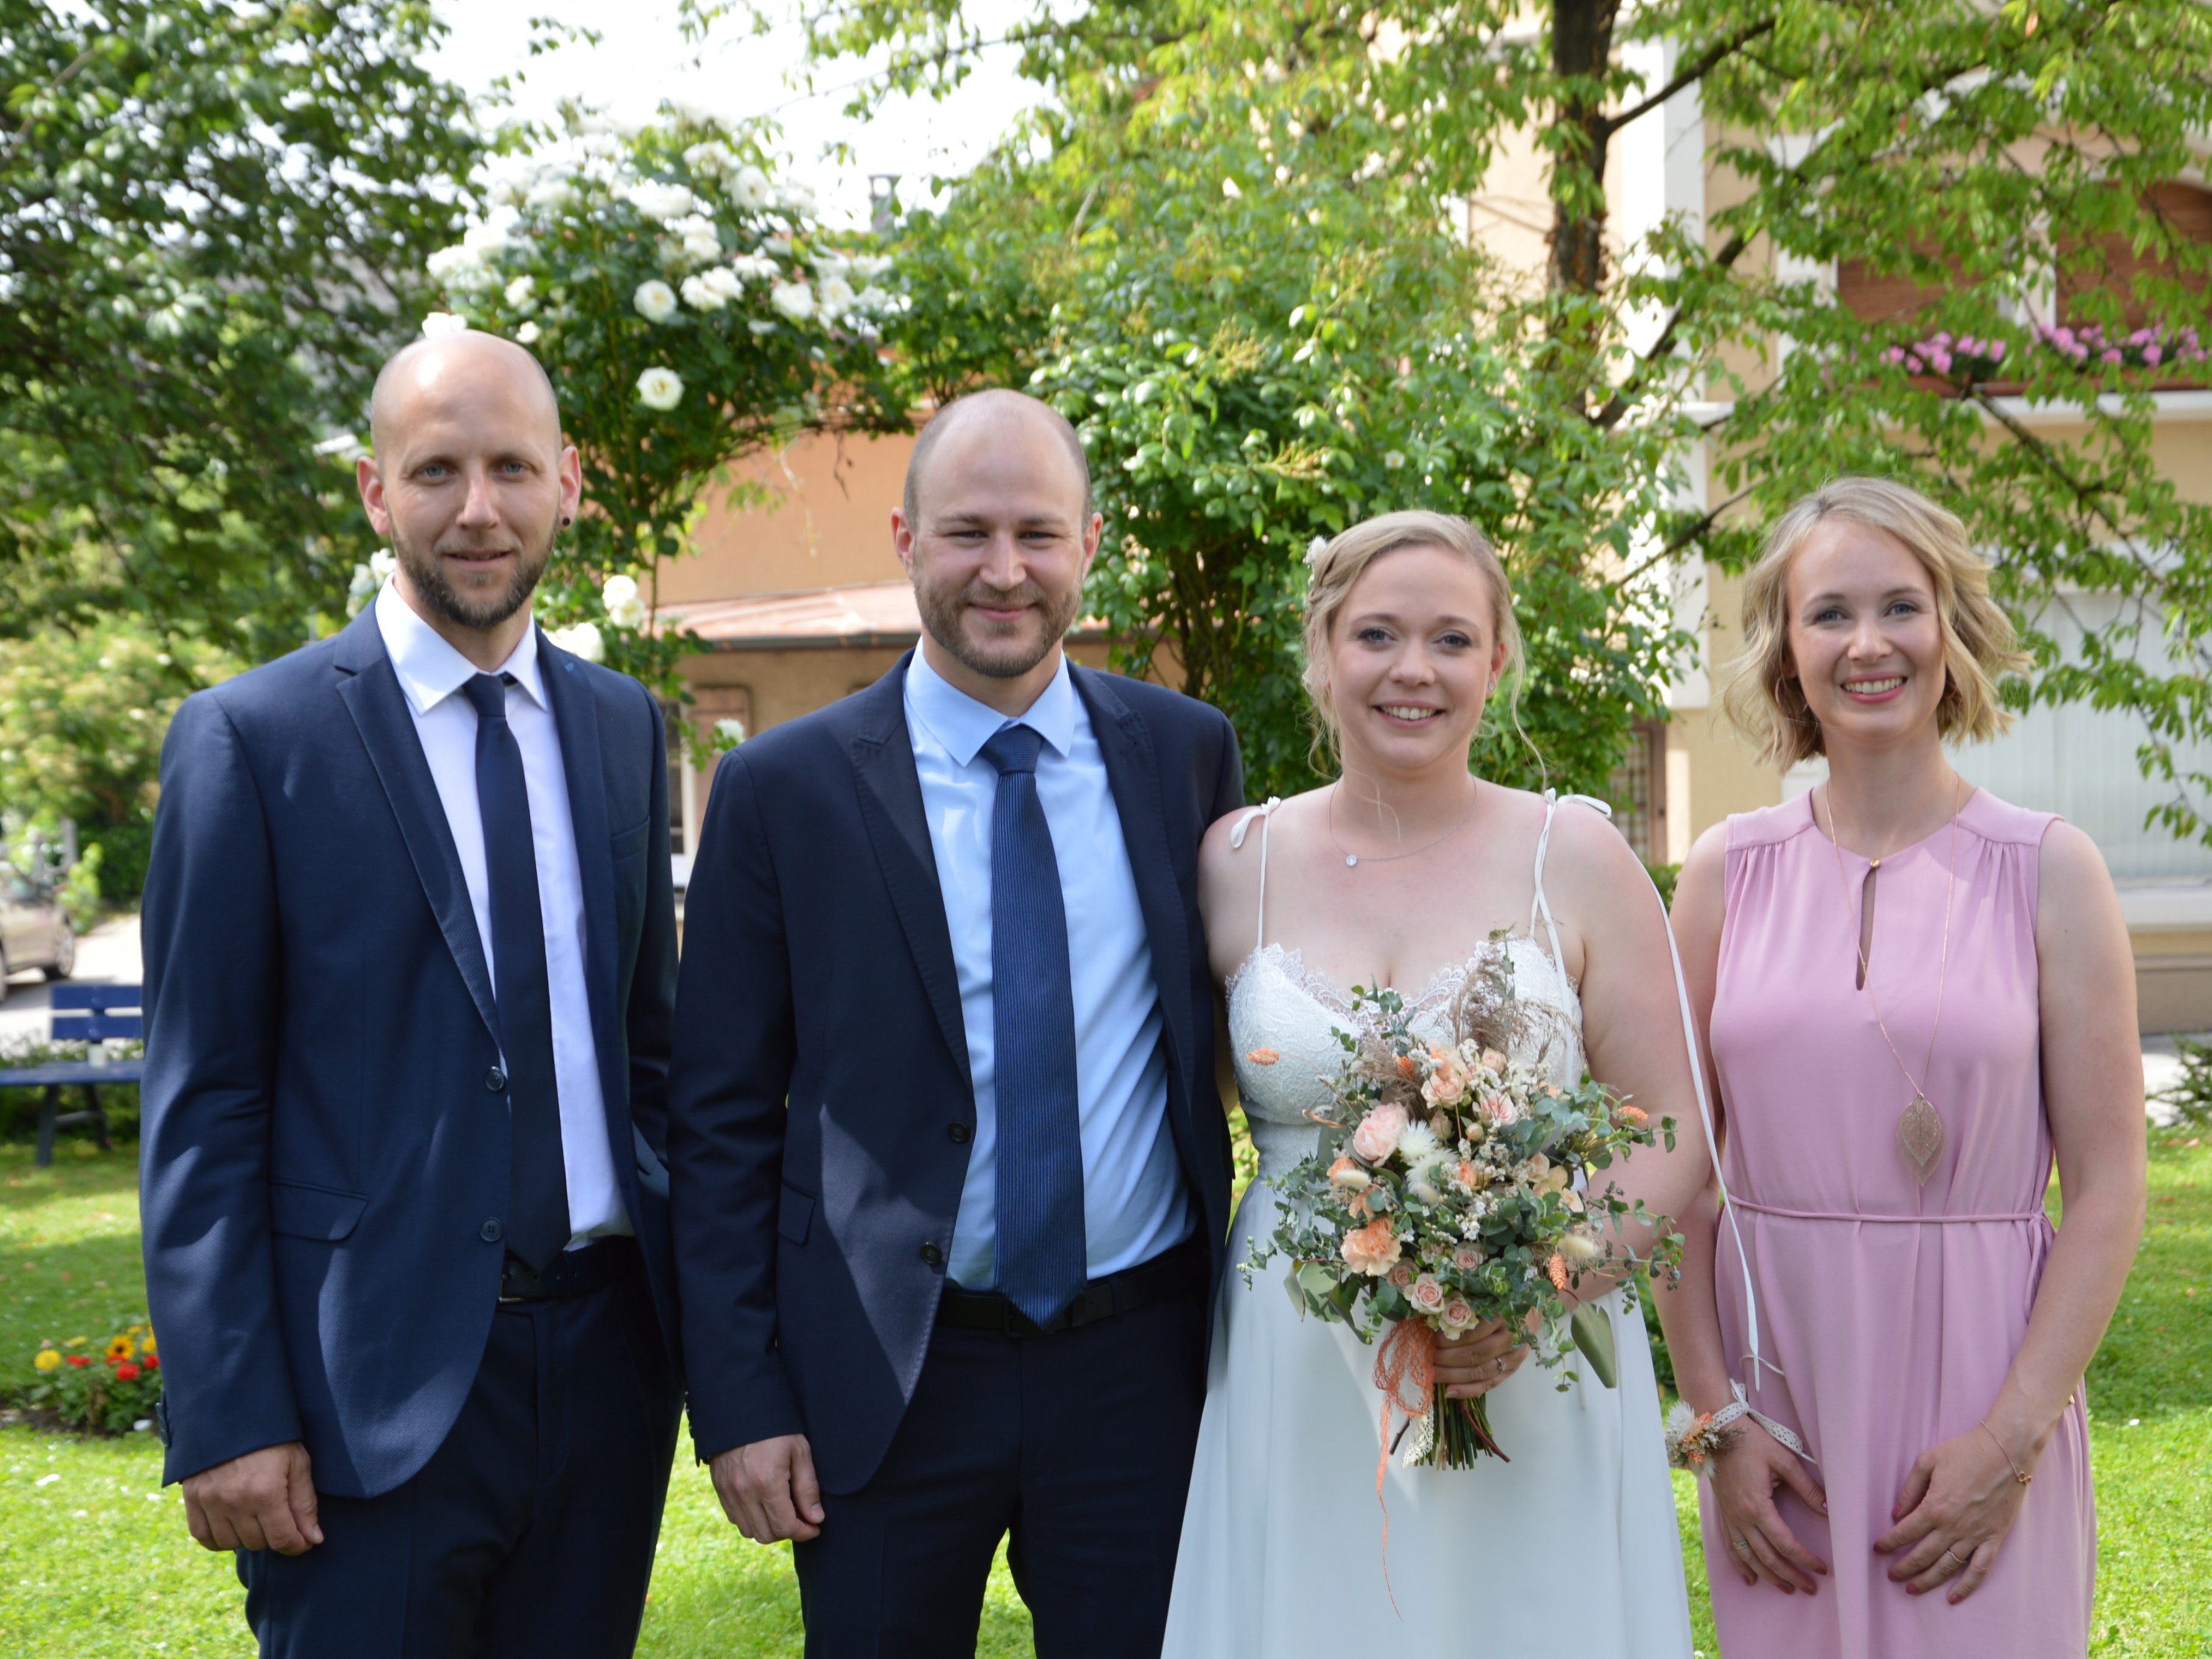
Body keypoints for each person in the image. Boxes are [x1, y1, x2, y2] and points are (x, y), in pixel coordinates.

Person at [665, 388, 1243, 1658]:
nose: (1004, 570)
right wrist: (743, 1401)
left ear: (1091, 542)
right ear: (905, 537)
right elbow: (713, 1121)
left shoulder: (1186, 756)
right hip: (883, 1369)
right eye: (967, 532)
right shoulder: (784, 790)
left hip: (1139, 1365)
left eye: (1037, 534)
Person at [140, 330, 685, 1657]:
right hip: (362, 1400)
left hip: (606, 1382)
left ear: (569, 481)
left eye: (512, 467)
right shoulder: (252, 740)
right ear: (378, 493)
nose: (479, 508)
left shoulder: (624, 727)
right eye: (437, 471)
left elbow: (650, 1056)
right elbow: (203, 1105)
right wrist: (230, 1412)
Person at [1163, 511, 1708, 1657]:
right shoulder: (1231, 865)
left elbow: (1673, 1130)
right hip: (1299, 1356)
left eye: (1452, 639)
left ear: (1497, 661)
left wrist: (1536, 1290)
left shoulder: (1580, 858)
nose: (1412, 670)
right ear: (1317, 652)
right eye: (1375, 635)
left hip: (1531, 1356)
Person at [1661, 477, 2146, 1658]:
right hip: (1784, 1410)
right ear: (1785, 648)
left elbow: (2113, 1186)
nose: (1867, 644)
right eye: (1829, 614)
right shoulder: (1724, 874)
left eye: (1900, 608)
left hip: (1985, 1392)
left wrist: (2014, 1436)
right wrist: (1717, 1418)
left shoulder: (2052, 871)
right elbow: (1675, 1179)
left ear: (1951, 631)